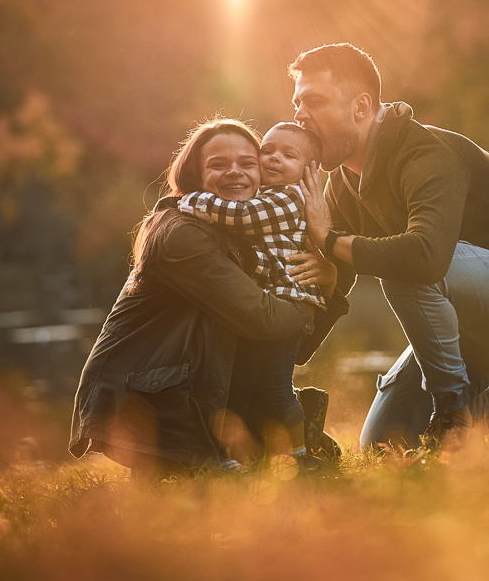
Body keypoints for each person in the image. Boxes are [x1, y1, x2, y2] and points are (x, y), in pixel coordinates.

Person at [289, 43, 489, 449]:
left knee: (408, 268)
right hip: (464, 319)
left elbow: (425, 258)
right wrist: (280, 364)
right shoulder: (339, 185)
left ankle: (453, 417)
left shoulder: (426, 153)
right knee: (383, 443)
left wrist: (330, 240)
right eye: (296, 104)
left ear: (360, 107)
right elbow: (337, 281)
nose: (300, 115)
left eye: (313, 101)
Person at [69, 119, 345, 475]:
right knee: (236, 478)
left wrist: (327, 274)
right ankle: (217, 452)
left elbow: (291, 345)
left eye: (248, 163)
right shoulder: (181, 233)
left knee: (304, 457)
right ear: (194, 175)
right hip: (150, 397)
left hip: (197, 386)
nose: (236, 173)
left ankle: (273, 434)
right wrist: (314, 301)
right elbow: (264, 320)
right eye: (218, 165)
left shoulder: (249, 232)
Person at [176, 122, 331, 462]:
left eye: (288, 156)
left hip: (292, 302)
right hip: (276, 300)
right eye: (268, 151)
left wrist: (193, 200)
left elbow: (243, 217)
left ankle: (302, 455)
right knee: (260, 385)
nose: (274, 159)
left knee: (276, 389)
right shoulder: (264, 195)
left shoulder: (288, 198)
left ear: (308, 172)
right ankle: (263, 448)